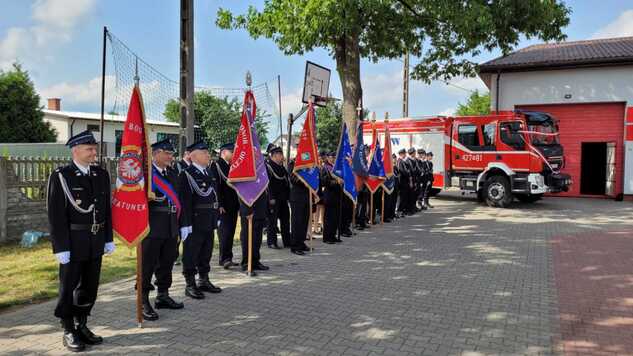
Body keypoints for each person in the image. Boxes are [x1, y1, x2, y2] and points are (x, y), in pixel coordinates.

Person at [47, 130, 113, 352]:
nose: (94, 152)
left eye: (94, 148)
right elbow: (55, 215)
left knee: (90, 287)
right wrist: (60, 247)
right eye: (89, 149)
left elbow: (106, 210)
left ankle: (81, 324)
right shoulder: (61, 176)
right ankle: (68, 329)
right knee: (69, 287)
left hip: (95, 240)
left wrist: (108, 238)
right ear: (75, 150)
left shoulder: (101, 175)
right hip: (73, 242)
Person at [139, 139, 184, 322]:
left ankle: (162, 295)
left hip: (170, 225)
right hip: (152, 227)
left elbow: (179, 200)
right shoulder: (145, 175)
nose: (170, 157)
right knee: (147, 265)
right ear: (155, 153)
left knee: (167, 263)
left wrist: (182, 225)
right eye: (167, 153)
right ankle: (142, 300)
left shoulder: (172, 173)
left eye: (171, 154)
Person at [178, 140, 222, 300]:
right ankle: (190, 284)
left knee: (206, 251)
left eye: (207, 152)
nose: (208, 155)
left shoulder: (208, 172)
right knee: (191, 253)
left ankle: (204, 279)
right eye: (204, 153)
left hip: (209, 219)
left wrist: (216, 215)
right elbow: (184, 201)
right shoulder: (186, 174)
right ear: (194, 156)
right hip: (194, 222)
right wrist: (185, 223)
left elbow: (214, 195)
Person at [214, 143, 240, 269]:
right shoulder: (216, 165)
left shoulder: (231, 166)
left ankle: (228, 257)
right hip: (223, 205)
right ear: (224, 152)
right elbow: (215, 186)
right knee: (224, 232)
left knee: (231, 231)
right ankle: (223, 258)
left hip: (233, 204)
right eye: (232, 151)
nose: (234, 154)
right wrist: (219, 204)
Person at [239, 191, 270, 275]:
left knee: (257, 238)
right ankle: (246, 264)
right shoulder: (245, 177)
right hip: (249, 209)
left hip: (260, 208)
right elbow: (242, 190)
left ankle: (255, 261)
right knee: (247, 237)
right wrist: (246, 210)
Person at [265, 145, 291, 249]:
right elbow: (267, 184)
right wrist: (270, 197)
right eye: (281, 155)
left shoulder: (281, 167)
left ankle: (287, 241)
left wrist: (288, 196)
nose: (282, 157)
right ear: (275, 155)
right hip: (273, 199)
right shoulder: (267, 167)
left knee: (285, 220)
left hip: (283, 198)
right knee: (272, 222)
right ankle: (272, 242)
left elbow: (286, 183)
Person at [288, 158, 311, 255]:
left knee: (304, 221)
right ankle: (295, 246)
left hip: (306, 195)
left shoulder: (309, 164)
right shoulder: (293, 163)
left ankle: (301, 242)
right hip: (297, 196)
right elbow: (293, 179)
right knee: (297, 222)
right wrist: (305, 179)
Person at [321, 152, 342, 244]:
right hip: (329, 195)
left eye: (334, 157)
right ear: (327, 158)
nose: (332, 159)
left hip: (337, 195)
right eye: (331, 157)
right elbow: (324, 181)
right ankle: (327, 237)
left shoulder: (337, 168)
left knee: (335, 217)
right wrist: (336, 182)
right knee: (329, 218)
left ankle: (333, 235)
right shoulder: (325, 168)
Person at [397, 148, 411, 217]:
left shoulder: (403, 161)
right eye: (404, 153)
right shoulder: (400, 161)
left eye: (405, 153)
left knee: (404, 197)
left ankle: (402, 210)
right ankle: (399, 211)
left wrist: (408, 172)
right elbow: (403, 171)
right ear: (401, 154)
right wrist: (408, 172)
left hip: (405, 182)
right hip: (402, 182)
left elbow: (408, 171)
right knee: (401, 198)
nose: (405, 155)